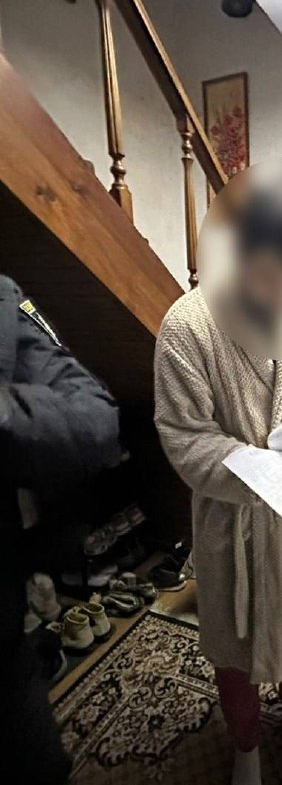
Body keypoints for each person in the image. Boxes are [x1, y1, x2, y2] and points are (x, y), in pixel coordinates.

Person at [153, 183, 282, 785]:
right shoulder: (187, 327)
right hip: (233, 523)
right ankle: (244, 744)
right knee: (234, 651)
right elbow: (184, 435)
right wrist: (268, 472)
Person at [0, 275, 120, 784]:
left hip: (3, 631)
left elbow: (94, 415)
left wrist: (6, 411)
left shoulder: (2, 295)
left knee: (43, 768)